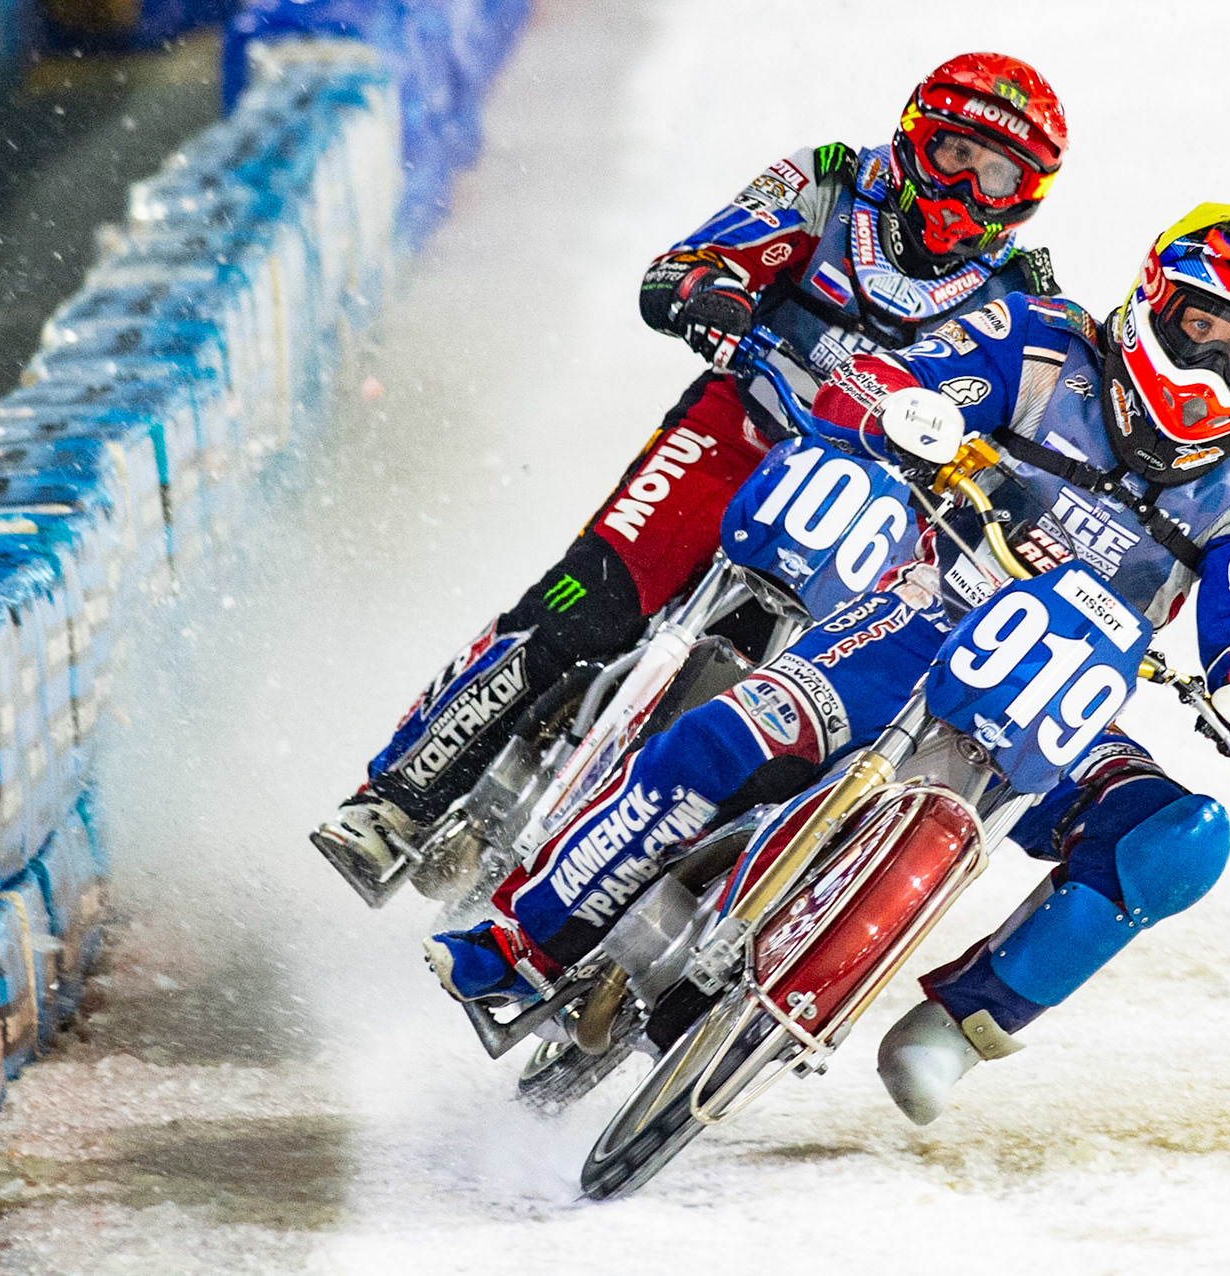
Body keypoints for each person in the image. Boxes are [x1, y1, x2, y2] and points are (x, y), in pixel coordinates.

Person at [427, 204, 1230, 1125]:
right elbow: (886, 376)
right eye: (1202, 328)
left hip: (1060, 711)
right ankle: (519, 943)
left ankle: (958, 1028)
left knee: (1178, 840)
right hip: (917, 622)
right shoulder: (1041, 342)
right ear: (1152, 302)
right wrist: (901, 410)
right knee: (724, 739)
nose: (1212, 368)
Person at [312, 54, 1071, 882]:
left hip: (867, 506)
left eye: (997, 175)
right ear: (915, 139)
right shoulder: (827, 182)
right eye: (956, 155)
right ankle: (394, 800)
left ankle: (639, 899)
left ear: (1025, 196)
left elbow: (1035, 449)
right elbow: (686, 265)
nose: (966, 189)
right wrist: (711, 295)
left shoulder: (1026, 301)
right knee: (587, 603)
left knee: (790, 723)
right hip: (736, 433)